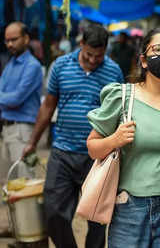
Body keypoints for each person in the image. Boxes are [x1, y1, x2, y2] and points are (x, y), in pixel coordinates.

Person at [86, 25, 160, 248]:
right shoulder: (122, 97)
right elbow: (92, 148)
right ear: (144, 60)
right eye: (158, 48)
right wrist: (114, 140)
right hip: (129, 209)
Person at [22, 24, 124, 248]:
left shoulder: (113, 71)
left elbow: (118, 113)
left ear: (106, 50)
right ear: (81, 45)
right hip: (63, 152)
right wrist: (32, 142)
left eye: (99, 56)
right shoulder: (61, 66)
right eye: (89, 54)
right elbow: (48, 106)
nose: (93, 60)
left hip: (97, 157)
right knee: (53, 212)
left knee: (97, 218)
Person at [0, 22, 42, 178]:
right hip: (7, 129)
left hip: (23, 131)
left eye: (14, 39)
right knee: (9, 186)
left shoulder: (32, 66)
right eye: (7, 40)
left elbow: (16, 98)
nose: (9, 44)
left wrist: (5, 98)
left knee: (24, 185)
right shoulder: (10, 64)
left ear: (26, 39)